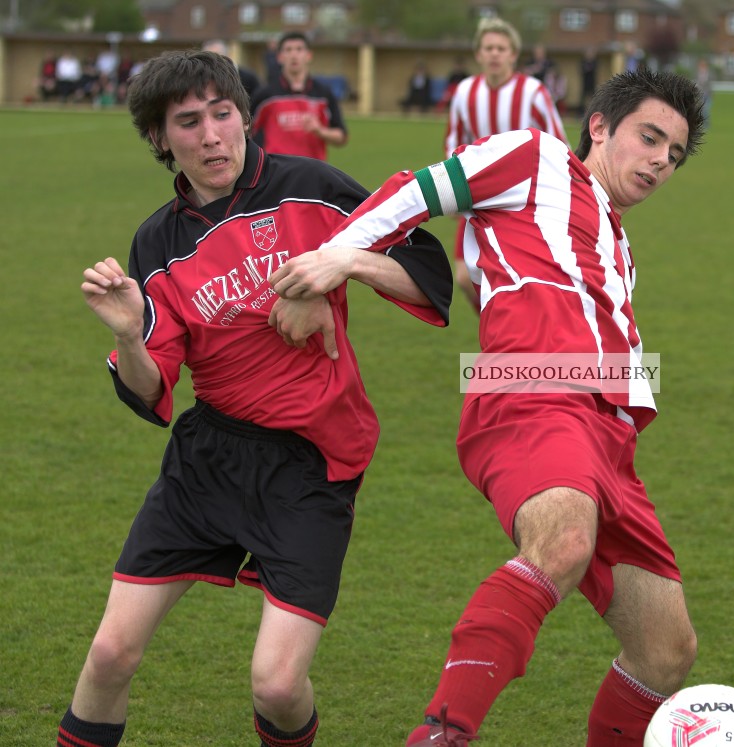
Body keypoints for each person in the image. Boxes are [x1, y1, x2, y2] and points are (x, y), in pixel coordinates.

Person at [269, 65, 706, 747]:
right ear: (600, 126)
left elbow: (493, 276)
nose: (659, 161)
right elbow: (417, 192)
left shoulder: (617, 244)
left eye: (673, 155)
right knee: (560, 540)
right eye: (650, 138)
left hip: (611, 441)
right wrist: (330, 263)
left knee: (667, 649)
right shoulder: (534, 156)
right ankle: (442, 733)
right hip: (532, 391)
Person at [57, 49, 452, 747]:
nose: (211, 135)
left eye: (222, 114)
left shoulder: (314, 186)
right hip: (208, 456)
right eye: (188, 122)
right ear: (160, 138)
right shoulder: (158, 241)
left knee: (276, 683)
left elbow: (428, 273)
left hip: (312, 463)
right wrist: (129, 334)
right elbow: (150, 392)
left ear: (244, 115)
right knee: (110, 653)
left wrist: (340, 263)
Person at [444, 16, 567, 314]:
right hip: (478, 197)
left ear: (513, 54)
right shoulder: (464, 93)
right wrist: (451, 191)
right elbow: (453, 143)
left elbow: (559, 144)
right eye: (488, 48)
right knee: (463, 276)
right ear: (479, 54)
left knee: (523, 281)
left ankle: (520, 333)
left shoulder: (534, 92)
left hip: (522, 201)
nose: (495, 53)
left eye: (501, 48)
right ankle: (497, 324)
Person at [250, 32, 348, 160]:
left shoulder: (323, 94)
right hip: (277, 173)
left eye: (299, 49)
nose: (294, 55)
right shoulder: (265, 95)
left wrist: (321, 131)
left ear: (308, 56)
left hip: (314, 172)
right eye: (288, 50)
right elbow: (246, 131)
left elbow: (341, 137)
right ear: (280, 57)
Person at [579, 47, 599, 116]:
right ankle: (581, 112)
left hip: (592, 82)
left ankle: (593, 111)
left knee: (593, 97)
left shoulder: (594, 62)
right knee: (583, 98)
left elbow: (593, 70)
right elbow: (582, 70)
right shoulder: (583, 62)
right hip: (585, 82)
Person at [695, 58, 713, 125]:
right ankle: (702, 123)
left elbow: (710, 85)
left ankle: (706, 124)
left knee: (706, 109)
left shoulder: (709, 74)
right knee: (701, 110)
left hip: (707, 94)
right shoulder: (697, 74)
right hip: (700, 94)